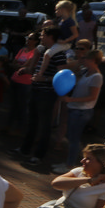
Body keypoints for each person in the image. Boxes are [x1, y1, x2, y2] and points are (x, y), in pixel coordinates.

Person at [18, 25, 69, 167]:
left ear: (50, 37)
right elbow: (39, 70)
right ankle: (25, 149)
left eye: (43, 35)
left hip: (47, 93)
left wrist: (44, 79)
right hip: (36, 89)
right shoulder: (43, 52)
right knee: (32, 121)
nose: (40, 37)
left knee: (45, 124)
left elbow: (61, 76)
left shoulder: (58, 54)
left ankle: (38, 155)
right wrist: (27, 70)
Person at [56, 49, 103, 173]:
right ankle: (71, 162)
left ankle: (70, 165)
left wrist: (71, 99)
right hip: (75, 108)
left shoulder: (96, 77)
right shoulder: (85, 72)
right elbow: (72, 76)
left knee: (74, 139)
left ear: (93, 60)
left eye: (85, 58)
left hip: (82, 111)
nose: (82, 60)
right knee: (71, 137)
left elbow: (92, 97)